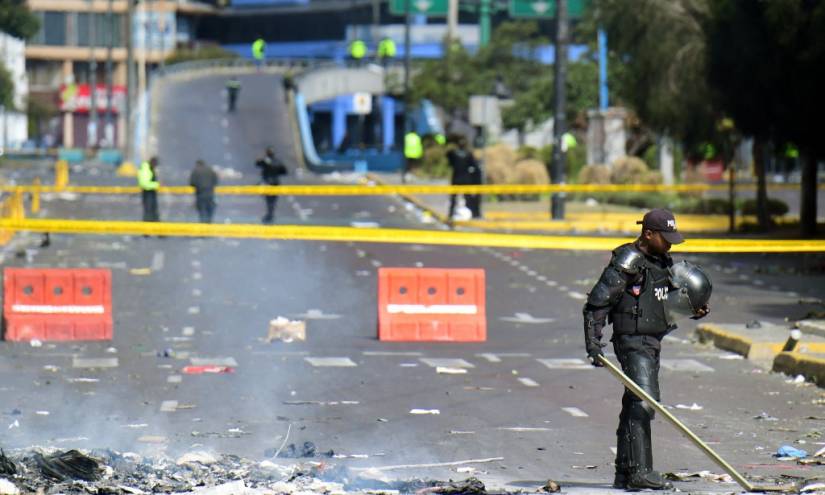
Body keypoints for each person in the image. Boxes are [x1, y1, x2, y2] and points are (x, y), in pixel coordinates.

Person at [583, 208, 710, 490]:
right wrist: (594, 344)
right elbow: (597, 303)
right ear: (648, 233)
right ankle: (641, 472)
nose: (669, 244)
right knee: (644, 401)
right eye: (665, 238)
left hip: (653, 340)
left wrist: (693, 308)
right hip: (632, 340)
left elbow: (665, 299)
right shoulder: (629, 261)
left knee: (635, 402)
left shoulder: (662, 260)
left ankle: (625, 472)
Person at [446, 136, 482, 222]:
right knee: (468, 198)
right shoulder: (468, 154)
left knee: (454, 198)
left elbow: (449, 160)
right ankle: (475, 214)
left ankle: (451, 214)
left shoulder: (453, 153)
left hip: (456, 178)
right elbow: (474, 165)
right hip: (466, 179)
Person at [256, 147, 288, 224]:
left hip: (270, 183)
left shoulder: (270, 161)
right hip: (274, 182)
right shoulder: (275, 161)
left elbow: (283, 170)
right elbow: (284, 171)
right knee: (271, 200)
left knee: (270, 199)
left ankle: (270, 213)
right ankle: (270, 213)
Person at [189, 159, 219, 223]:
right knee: (209, 210)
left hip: (200, 194)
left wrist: (198, 186)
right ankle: (209, 225)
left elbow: (192, 183)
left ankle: (203, 226)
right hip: (210, 193)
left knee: (202, 211)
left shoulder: (195, 171)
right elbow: (216, 182)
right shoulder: (211, 170)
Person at [137, 156, 160, 222]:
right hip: (148, 194)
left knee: (152, 211)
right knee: (148, 211)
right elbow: (144, 183)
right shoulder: (146, 169)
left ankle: (153, 226)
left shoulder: (149, 168)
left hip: (150, 193)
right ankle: (148, 228)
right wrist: (156, 185)